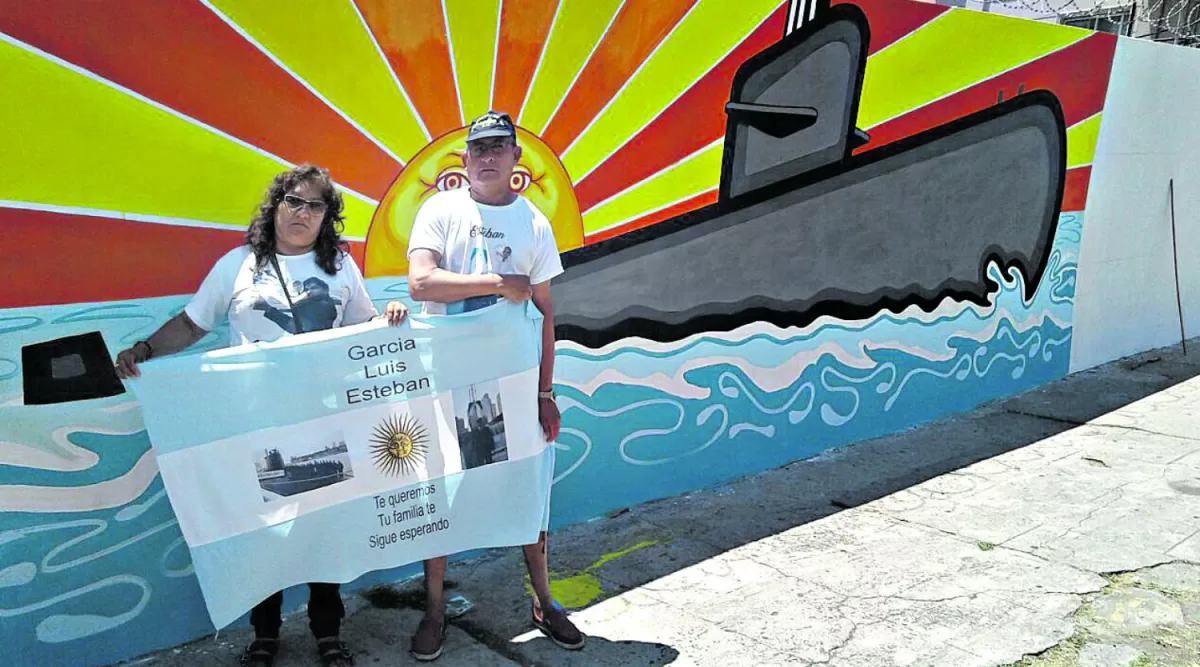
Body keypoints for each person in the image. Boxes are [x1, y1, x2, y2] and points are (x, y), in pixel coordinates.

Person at [114, 164, 409, 667]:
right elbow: (192, 324)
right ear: (274, 207)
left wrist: (393, 317)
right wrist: (145, 348)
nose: (302, 213)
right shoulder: (238, 264)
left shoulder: (339, 269)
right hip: (253, 428)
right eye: (293, 201)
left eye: (315, 206)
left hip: (324, 424)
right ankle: (264, 635)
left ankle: (328, 633)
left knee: (325, 533)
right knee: (262, 533)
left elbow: (364, 327)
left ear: (326, 218)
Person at [405, 110, 585, 661]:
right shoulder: (440, 209)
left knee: (529, 496)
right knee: (442, 495)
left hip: (515, 387)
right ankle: (434, 609)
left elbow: (547, 314)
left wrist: (546, 392)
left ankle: (544, 601)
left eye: (498, 147)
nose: (487, 156)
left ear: (515, 158)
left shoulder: (534, 223)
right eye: (478, 148)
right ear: (464, 159)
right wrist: (495, 283)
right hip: (446, 387)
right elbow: (420, 282)